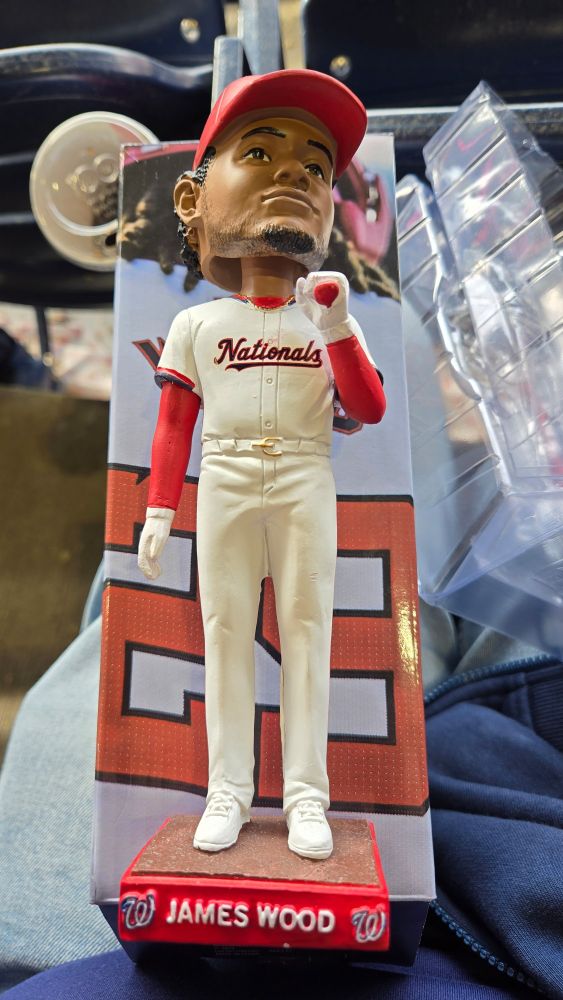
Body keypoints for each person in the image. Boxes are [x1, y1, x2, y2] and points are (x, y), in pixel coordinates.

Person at [137, 69, 386, 860]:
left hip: (306, 474)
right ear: (193, 198)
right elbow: (174, 423)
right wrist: (158, 510)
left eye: (316, 167)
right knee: (224, 631)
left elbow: (369, 407)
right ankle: (228, 791)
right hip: (227, 474)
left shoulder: (329, 317)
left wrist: (336, 326)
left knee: (309, 632)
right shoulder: (198, 322)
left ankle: (307, 798)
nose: (294, 175)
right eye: (260, 152)